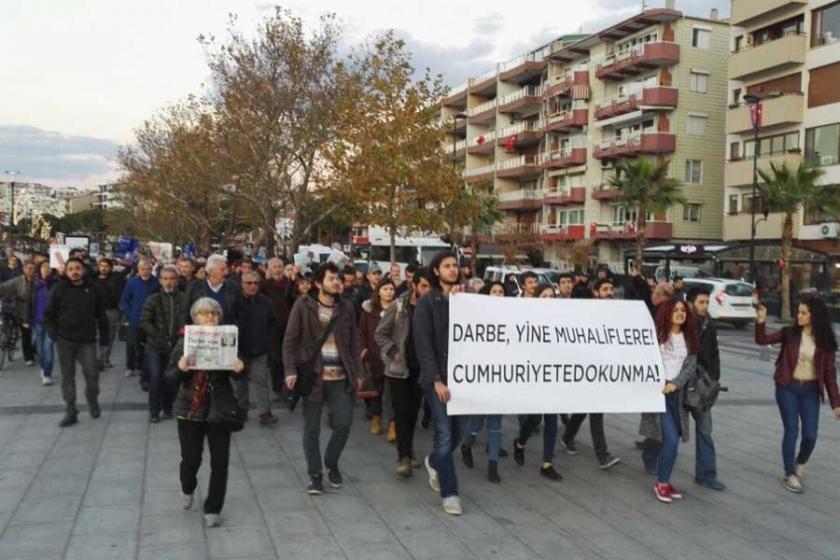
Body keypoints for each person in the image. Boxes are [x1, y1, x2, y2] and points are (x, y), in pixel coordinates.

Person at [283, 262, 364, 495]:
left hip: (340, 376)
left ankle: (331, 460)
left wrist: (358, 372)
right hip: (314, 377)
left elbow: (354, 342)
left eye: (338, 278)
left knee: (344, 423)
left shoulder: (346, 307)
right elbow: (289, 341)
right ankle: (316, 475)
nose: (337, 282)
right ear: (318, 283)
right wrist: (290, 371)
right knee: (311, 430)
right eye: (331, 278)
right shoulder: (303, 305)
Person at [167, 297, 245, 528]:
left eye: (214, 314)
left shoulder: (227, 339)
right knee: (191, 458)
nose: (210, 318)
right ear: (195, 318)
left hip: (219, 408)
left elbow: (237, 375)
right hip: (190, 409)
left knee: (220, 462)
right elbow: (168, 378)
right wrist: (181, 369)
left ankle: (213, 507)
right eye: (204, 314)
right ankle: (187, 486)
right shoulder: (185, 342)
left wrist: (240, 370)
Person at [755, 297, 840, 493]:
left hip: (810, 391)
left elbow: (829, 374)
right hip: (787, 387)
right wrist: (761, 320)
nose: (798, 316)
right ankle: (789, 474)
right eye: (798, 312)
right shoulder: (789, 333)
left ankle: (800, 461)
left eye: (803, 313)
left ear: (814, 316)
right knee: (792, 430)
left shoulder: (825, 342)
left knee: (810, 435)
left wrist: (836, 403)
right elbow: (762, 340)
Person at [413, 251, 466, 515]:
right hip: (438, 380)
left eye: (455, 265)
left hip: (464, 379)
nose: (452, 269)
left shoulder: (465, 300)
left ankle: (434, 461)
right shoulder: (427, 303)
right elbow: (422, 343)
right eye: (447, 266)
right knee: (444, 433)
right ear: (436, 271)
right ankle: (450, 493)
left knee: (459, 433)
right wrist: (435, 380)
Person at [374, 268, 434, 477]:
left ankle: (408, 449)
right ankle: (404, 457)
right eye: (424, 286)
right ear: (414, 286)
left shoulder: (435, 308)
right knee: (401, 412)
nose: (427, 290)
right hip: (399, 370)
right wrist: (393, 352)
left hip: (421, 369)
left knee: (412, 412)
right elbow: (380, 333)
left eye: (430, 286)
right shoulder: (399, 306)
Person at [640, 298, 700, 503]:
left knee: (672, 440)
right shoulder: (657, 336)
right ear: (667, 312)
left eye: (683, 310)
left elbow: (691, 365)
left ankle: (664, 479)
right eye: (676, 310)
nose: (680, 313)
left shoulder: (689, 338)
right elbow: (645, 361)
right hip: (659, 394)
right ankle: (662, 483)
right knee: (671, 440)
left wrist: (676, 383)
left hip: (677, 394)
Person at [561, 277, 621, 469]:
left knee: (582, 409)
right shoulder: (586, 312)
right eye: (605, 289)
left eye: (611, 289)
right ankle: (603, 456)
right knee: (596, 412)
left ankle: (567, 436)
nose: (609, 293)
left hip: (603, 370)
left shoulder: (618, 313)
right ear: (596, 292)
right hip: (587, 370)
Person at [44, 257, 109, 427]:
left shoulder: (93, 289)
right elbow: (48, 314)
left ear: (84, 270)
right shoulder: (59, 289)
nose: (74, 271)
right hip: (65, 340)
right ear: (66, 271)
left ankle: (92, 400)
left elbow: (101, 317)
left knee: (92, 376)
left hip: (87, 342)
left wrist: (104, 341)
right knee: (68, 377)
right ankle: (71, 409)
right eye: (71, 268)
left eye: (78, 268)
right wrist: (54, 335)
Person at [513, 284, 562, 482]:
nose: (549, 299)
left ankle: (547, 463)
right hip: (533, 374)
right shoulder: (526, 317)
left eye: (552, 296)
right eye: (544, 295)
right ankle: (520, 442)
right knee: (534, 419)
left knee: (552, 420)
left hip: (552, 375)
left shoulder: (561, 319)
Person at [460, 280, 508, 483]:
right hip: (481, 375)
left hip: (501, 376)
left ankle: (493, 465)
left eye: (501, 291)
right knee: (477, 420)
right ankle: (466, 445)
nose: (498, 294)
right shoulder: (477, 315)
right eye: (494, 291)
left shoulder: (512, 315)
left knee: (495, 423)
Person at [686, 287, 725, 491]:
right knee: (671, 430)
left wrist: (714, 376)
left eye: (707, 303)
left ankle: (706, 474)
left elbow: (715, 351)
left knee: (705, 430)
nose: (705, 306)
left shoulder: (710, 324)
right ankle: (652, 457)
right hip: (683, 383)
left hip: (702, 385)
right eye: (701, 302)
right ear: (691, 303)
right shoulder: (683, 321)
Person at [140, 265, 187, 423]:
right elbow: (145, 321)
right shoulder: (153, 299)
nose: (169, 282)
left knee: (171, 379)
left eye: (172, 279)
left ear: (177, 280)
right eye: (165, 279)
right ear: (160, 281)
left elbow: (187, 320)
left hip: (175, 346)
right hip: (155, 346)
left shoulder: (183, 298)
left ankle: (168, 407)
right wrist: (158, 335)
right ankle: (154, 410)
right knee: (156, 378)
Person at [236, 270, 277, 425]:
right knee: (240, 383)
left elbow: (272, 324)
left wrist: (269, 345)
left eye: (256, 283)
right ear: (242, 285)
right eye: (249, 283)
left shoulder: (266, 302)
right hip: (240, 350)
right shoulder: (235, 301)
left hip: (260, 349)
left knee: (261, 380)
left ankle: (265, 412)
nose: (253, 286)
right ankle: (241, 410)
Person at [359, 279, 397, 438]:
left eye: (391, 288)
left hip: (393, 357)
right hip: (374, 357)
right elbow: (361, 332)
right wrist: (363, 350)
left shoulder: (399, 309)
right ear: (379, 291)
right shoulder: (369, 311)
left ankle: (392, 425)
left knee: (392, 393)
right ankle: (376, 418)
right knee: (376, 392)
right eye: (385, 288)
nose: (389, 291)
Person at [119, 259, 159, 383]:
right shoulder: (132, 282)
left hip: (152, 319)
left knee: (149, 344)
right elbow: (124, 300)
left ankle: (143, 367)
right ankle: (130, 366)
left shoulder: (156, 282)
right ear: (138, 270)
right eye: (143, 269)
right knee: (132, 343)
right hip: (135, 318)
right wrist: (129, 312)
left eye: (147, 269)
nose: (145, 271)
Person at [264, 258, 292, 398]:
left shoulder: (290, 283)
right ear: (269, 269)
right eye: (274, 267)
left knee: (289, 358)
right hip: (272, 327)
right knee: (275, 359)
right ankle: (277, 388)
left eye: (280, 266)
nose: (278, 269)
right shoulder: (265, 285)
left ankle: (289, 387)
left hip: (289, 326)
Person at [185, 254, 240, 324]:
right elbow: (185, 313)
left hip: (226, 332)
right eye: (222, 269)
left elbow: (239, 313)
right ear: (210, 271)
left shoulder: (233, 287)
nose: (226, 272)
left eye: (226, 269)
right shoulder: (194, 286)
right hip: (200, 332)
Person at [0, 260, 36, 365]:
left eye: (33, 269)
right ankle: (28, 357)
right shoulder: (18, 281)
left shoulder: (37, 281)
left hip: (32, 310)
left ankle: (32, 351)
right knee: (25, 333)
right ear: (24, 269)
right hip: (18, 309)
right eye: (29, 268)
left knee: (29, 334)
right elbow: (4, 288)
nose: (31, 271)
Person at [92, 258, 125, 370]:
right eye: (101, 266)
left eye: (106, 266)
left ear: (111, 267)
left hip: (112, 310)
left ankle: (104, 359)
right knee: (96, 336)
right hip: (95, 311)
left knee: (110, 336)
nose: (103, 268)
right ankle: (97, 359)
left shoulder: (116, 278)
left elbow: (129, 269)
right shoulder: (92, 279)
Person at [29, 261, 57, 385]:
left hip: (52, 321)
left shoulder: (56, 283)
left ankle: (47, 374)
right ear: (39, 270)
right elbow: (28, 303)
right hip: (37, 320)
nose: (46, 269)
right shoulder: (34, 284)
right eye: (43, 267)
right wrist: (26, 319)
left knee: (48, 347)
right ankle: (43, 366)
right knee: (40, 348)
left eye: (48, 267)